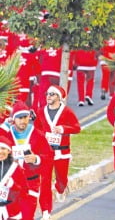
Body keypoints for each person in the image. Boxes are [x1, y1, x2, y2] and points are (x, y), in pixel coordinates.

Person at [34, 85, 81, 219]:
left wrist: (63, 129)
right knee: (45, 183)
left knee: (61, 179)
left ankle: (61, 189)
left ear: (59, 98)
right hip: (46, 153)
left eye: (52, 94)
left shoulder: (67, 111)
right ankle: (46, 211)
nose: (48, 96)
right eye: (47, 94)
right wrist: (43, 136)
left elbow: (77, 128)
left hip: (62, 152)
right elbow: (36, 129)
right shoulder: (41, 111)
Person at [1, 101, 52, 220]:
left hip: (30, 185)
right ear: (13, 119)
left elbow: (49, 157)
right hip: (10, 187)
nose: (23, 121)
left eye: (25, 117)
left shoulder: (38, 135)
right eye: (19, 118)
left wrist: (37, 159)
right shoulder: (7, 135)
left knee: (27, 217)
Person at [0, 135, 28, 220]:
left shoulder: (16, 168)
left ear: (9, 150)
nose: (0, 152)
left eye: (3, 148)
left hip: (11, 212)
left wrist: (13, 185)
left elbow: (24, 192)